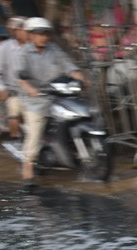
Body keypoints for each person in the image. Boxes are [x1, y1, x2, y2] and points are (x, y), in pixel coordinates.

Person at [17, 17, 86, 185]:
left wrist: (81, 79)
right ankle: (28, 167)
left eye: (46, 33)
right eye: (39, 34)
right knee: (35, 130)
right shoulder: (23, 53)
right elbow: (21, 77)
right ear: (31, 36)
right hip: (35, 100)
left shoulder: (54, 49)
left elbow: (69, 67)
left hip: (58, 95)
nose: (43, 37)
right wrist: (30, 89)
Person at [0, 17, 28, 140]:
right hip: (14, 90)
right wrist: (0, 88)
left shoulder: (36, 46)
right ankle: (15, 138)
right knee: (14, 111)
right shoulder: (2, 48)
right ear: (14, 32)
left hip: (37, 90)